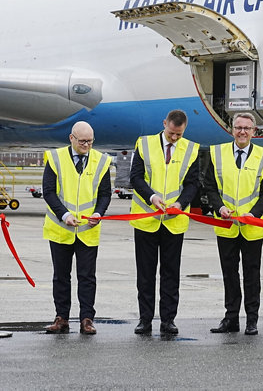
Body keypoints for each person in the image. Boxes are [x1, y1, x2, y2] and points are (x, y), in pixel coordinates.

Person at [129, 109, 201, 335]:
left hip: (174, 221)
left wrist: (180, 203)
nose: (174, 138)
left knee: (171, 273)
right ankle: (145, 319)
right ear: (164, 124)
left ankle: (168, 319)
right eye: (171, 133)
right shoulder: (144, 144)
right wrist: (152, 197)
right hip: (147, 219)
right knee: (146, 273)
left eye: (179, 135)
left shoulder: (191, 149)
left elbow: (193, 183)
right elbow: (136, 177)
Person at [205, 112, 263, 336]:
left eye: (247, 128)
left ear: (254, 131)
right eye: (238, 127)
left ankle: (251, 320)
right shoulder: (217, 153)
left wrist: (254, 213)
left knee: (251, 275)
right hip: (226, 226)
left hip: (252, 227)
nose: (242, 132)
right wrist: (219, 208)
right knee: (229, 275)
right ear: (231, 130)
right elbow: (210, 187)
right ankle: (231, 318)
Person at [43, 121, 112, 335]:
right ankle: (61, 317)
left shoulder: (101, 161)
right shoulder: (55, 159)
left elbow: (105, 194)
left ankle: (87, 319)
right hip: (61, 228)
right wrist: (64, 215)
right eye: (82, 141)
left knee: (87, 277)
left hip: (87, 230)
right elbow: (49, 192)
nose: (86, 145)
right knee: (61, 276)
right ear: (71, 138)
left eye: (90, 141)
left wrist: (99, 212)